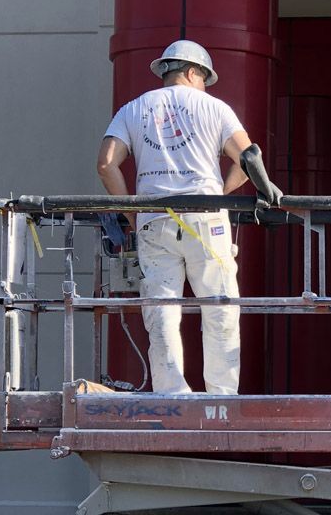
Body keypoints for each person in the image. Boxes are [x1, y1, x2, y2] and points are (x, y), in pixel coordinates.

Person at [97, 39, 252, 395]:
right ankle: (222, 397)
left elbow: (106, 164)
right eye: (203, 78)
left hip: (154, 220)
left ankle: (171, 395)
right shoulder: (215, 108)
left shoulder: (132, 109)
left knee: (162, 312)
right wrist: (221, 196)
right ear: (194, 72)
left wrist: (134, 214)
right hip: (205, 218)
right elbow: (247, 160)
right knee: (220, 308)